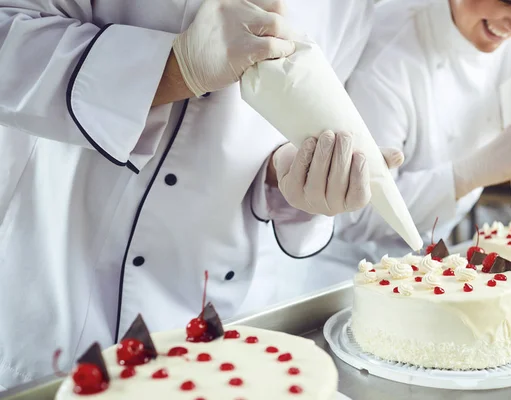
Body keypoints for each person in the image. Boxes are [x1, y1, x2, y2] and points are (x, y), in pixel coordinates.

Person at [0, 0, 403, 389]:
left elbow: (279, 133)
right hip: (59, 293)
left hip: (208, 318)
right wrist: (173, 68)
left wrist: (288, 175)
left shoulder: (353, 8)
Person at [245, 0, 511, 310]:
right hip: (341, 279)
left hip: (429, 275)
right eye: (508, 0)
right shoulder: (391, 55)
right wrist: (474, 171)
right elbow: (356, 212)